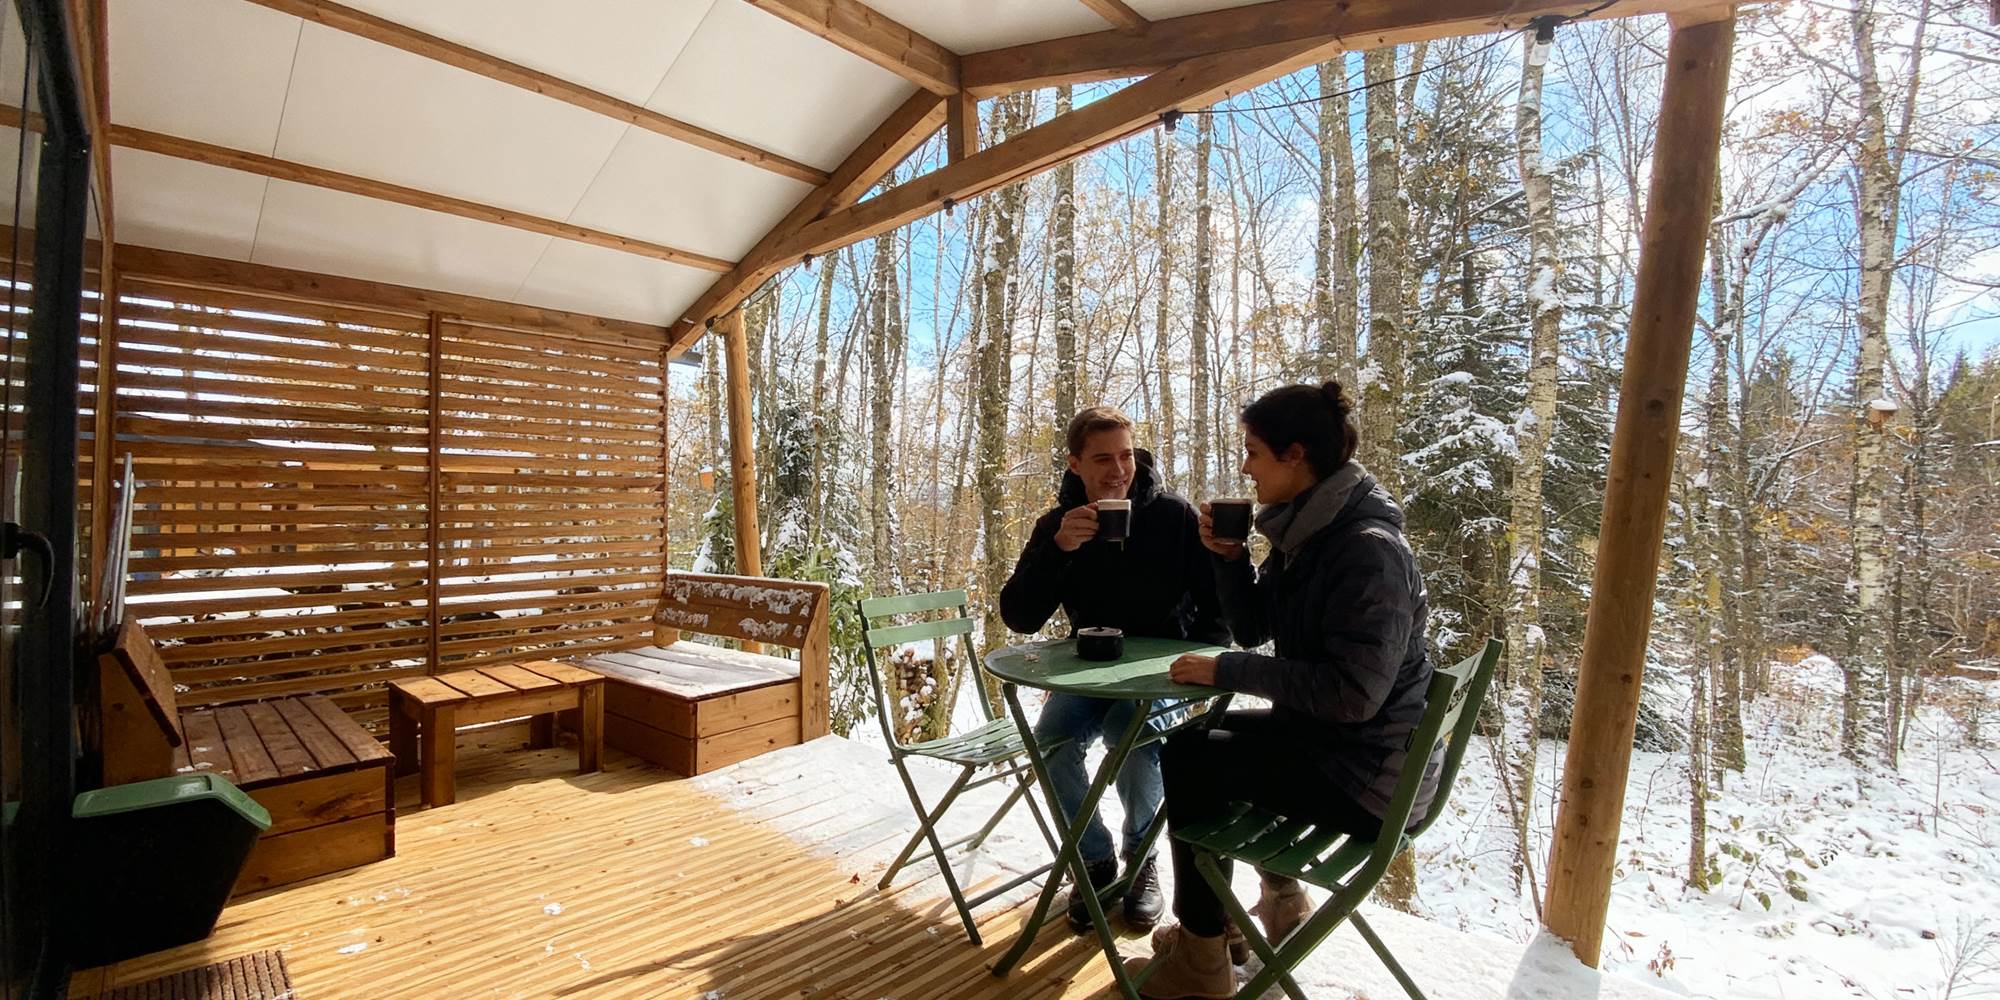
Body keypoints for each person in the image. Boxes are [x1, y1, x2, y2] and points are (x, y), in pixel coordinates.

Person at [1126, 382, 1439, 999]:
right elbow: (1253, 627)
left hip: (1370, 780)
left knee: (1190, 758)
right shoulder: (1314, 530)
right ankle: (1263, 911)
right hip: (1346, 749)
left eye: (1254, 453)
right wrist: (1228, 557)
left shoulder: (1365, 551)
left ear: (1295, 456)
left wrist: (1228, 672)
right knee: (1195, 742)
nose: (1246, 468)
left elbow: (1353, 693)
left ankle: (1202, 957)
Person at [1000, 405, 1230, 933]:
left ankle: (1141, 858)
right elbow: (1019, 616)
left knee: (1131, 734)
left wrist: (1190, 662)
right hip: (1087, 670)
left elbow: (1218, 611)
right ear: (1075, 464)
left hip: (1159, 676)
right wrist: (1058, 549)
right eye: (1102, 459)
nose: (1118, 470)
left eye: (1126, 456)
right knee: (1051, 742)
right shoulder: (1057, 526)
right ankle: (1094, 860)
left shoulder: (1174, 517)